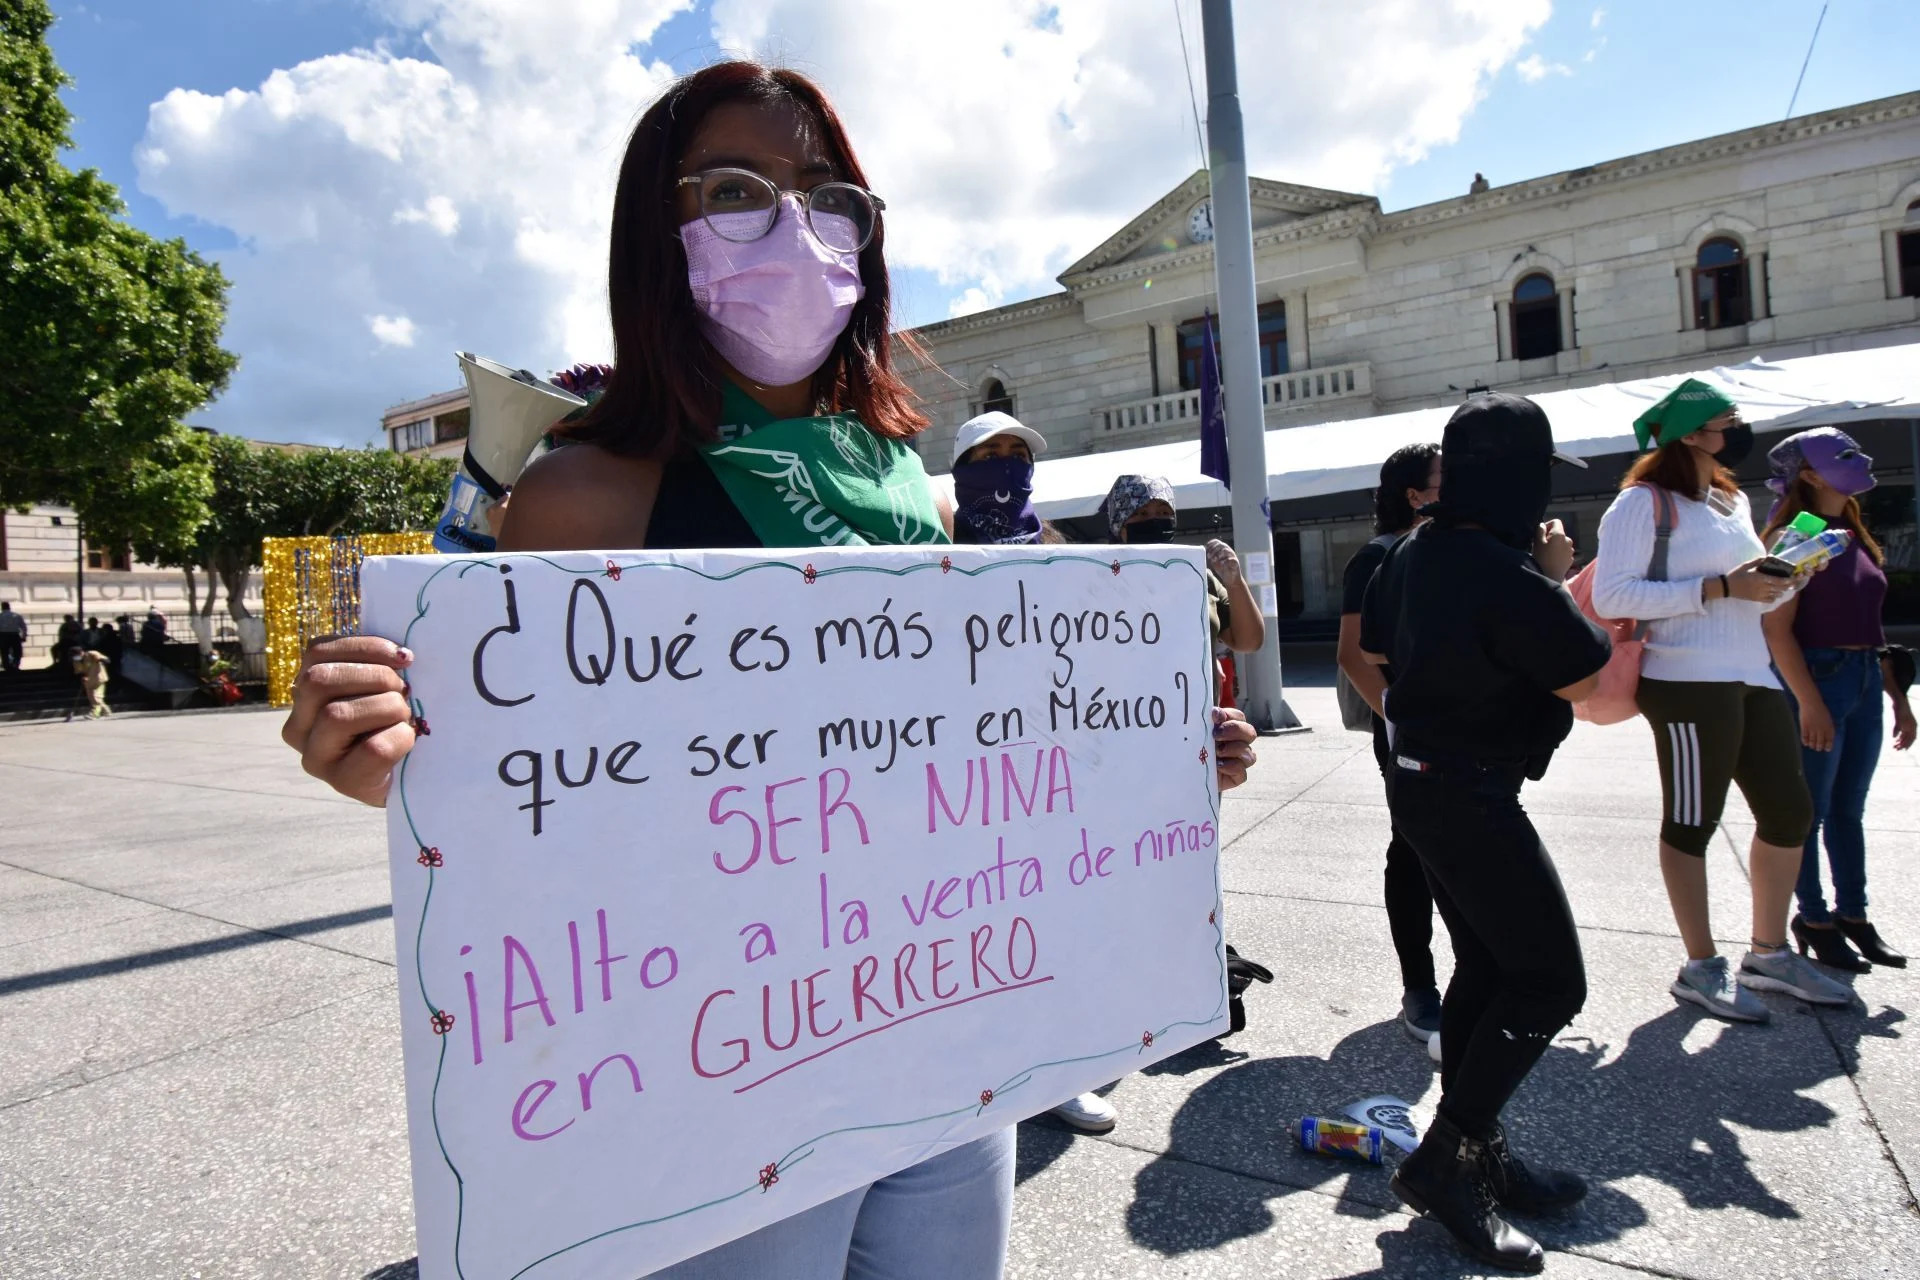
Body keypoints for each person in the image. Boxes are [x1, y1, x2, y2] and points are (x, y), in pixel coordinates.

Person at [280, 61, 1260, 1280]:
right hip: (718, 1088)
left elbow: (975, 751)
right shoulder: (589, 489)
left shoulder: (909, 483)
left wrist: (1151, 763)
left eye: (827, 195)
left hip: (950, 1045)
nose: (794, 227)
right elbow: (515, 797)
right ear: (657, 231)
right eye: (734, 190)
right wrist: (397, 754)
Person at [1360, 394, 1608, 1272]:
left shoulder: (1412, 553)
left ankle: (1478, 1153)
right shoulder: (1510, 574)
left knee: (1489, 967)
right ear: (1516, 480)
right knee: (1548, 983)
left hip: (1420, 784)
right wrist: (1553, 573)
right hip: (1469, 796)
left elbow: (1381, 653)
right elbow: (1591, 686)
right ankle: (1445, 1160)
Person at [1590, 379, 1851, 1022]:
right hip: (1683, 679)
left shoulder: (1729, 502)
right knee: (1692, 821)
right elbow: (1615, 597)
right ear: (1689, 434)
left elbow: (1751, 594)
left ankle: (1767, 952)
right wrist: (1717, 587)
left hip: (1752, 674)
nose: (1737, 431)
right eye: (1726, 421)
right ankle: (1700, 965)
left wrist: (1789, 578)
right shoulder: (1641, 504)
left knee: (1791, 813)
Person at [949, 411, 1119, 1135]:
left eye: (1019, 454)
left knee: (1057, 926)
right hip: (965, 782)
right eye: (992, 454)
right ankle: (981, 1068)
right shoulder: (930, 549)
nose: (1007, 465)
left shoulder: (1057, 549)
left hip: (1057, 775)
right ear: (962, 469)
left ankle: (1060, 1070)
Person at [1759, 428, 1914, 971]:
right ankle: (1815, 918)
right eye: (1844, 455)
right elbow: (1776, 629)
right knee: (1811, 813)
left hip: (1865, 678)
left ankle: (1854, 916)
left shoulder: (1851, 530)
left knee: (1849, 811)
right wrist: (1809, 702)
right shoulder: (1794, 535)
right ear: (1810, 475)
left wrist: (1898, 698)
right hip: (1819, 678)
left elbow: (1871, 626)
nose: (1863, 460)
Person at [1336, 443, 1445, 1049]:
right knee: (1414, 855)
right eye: (1441, 479)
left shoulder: (1458, 551)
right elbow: (1354, 656)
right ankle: (1420, 987)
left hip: (1466, 734)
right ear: (1414, 493)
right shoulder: (1376, 559)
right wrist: (1403, 723)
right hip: (1410, 739)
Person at [1101, 475, 1265, 657]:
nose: (1154, 520)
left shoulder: (1200, 579)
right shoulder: (1100, 583)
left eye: (1164, 513)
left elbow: (1249, 642)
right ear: (1119, 525)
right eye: (1141, 513)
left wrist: (1235, 583)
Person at [71, 646, 111, 719]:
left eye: (77, 654)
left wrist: (100, 659)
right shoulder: (76, 661)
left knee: (96, 697)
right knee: (92, 698)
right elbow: (79, 671)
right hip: (88, 682)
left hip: (99, 679)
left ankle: (94, 714)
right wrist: (83, 676)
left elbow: (107, 660)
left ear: (81, 652)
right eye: (74, 655)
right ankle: (106, 711)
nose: (76, 656)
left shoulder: (92, 654)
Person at [0, 602, 25, 674]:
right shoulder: (17, 616)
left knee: (4, 652)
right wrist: (24, 636)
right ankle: (15, 665)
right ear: (9, 607)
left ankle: (7, 667)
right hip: (14, 635)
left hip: (3, 636)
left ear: (2, 607)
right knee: (17, 651)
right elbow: (23, 627)